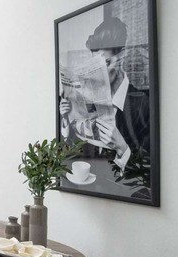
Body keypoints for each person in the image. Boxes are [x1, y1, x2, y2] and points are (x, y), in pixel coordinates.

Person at [59, 16, 150, 180]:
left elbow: (148, 174)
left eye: (106, 63)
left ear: (122, 57)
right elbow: (73, 152)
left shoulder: (144, 104)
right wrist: (65, 119)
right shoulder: (89, 97)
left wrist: (122, 147)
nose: (101, 73)